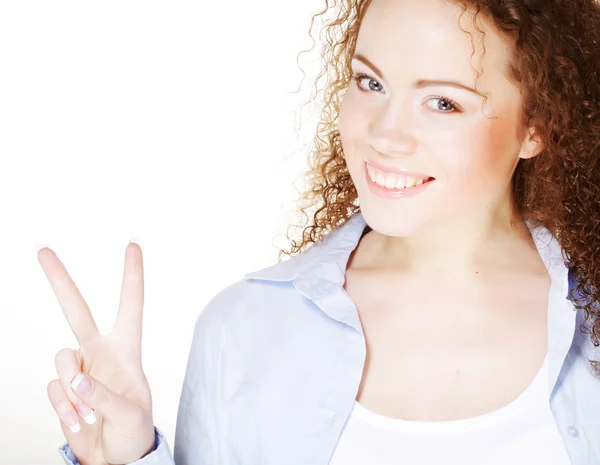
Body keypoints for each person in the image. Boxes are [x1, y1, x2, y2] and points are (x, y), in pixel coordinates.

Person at [40, 0, 600, 463]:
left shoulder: (590, 326)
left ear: (537, 126)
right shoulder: (242, 330)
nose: (383, 133)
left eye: (443, 102)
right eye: (370, 82)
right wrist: (126, 458)